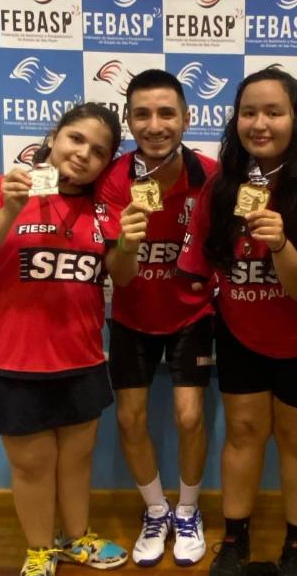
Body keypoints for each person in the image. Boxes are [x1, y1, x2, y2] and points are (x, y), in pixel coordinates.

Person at [176, 68, 297, 576]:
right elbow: (196, 270)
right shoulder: (220, 186)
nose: (260, 123)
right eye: (249, 112)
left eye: (274, 112)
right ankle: (234, 538)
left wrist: (279, 244)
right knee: (243, 433)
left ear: (296, 121)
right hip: (242, 334)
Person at [0, 103, 132, 576]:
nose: (83, 154)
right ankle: (39, 548)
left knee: (77, 457)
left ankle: (76, 538)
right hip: (9, 359)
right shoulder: (0, 189)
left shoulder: (104, 209)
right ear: (54, 137)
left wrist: (130, 243)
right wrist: (10, 211)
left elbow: (123, 278)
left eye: (98, 151)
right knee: (32, 465)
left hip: (81, 356)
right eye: (76, 139)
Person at [95, 69, 218, 567]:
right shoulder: (113, 179)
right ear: (129, 121)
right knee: (130, 419)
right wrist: (128, 242)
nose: (155, 124)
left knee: (190, 415)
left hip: (193, 313)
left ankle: (187, 511)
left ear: (186, 118)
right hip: (131, 315)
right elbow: (119, 277)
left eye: (166, 112)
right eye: (142, 114)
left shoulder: (210, 175)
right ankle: (154, 510)